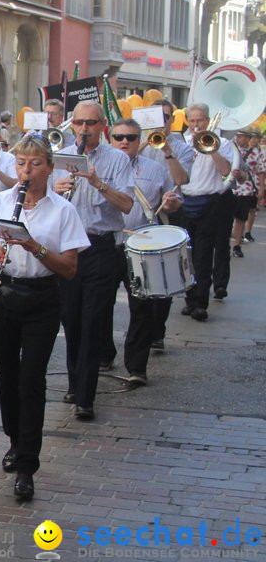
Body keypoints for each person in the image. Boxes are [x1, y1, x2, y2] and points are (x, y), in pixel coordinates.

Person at [0, 134, 88, 502]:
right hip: (4, 294)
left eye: (34, 165)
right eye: (20, 165)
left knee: (32, 379)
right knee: (6, 377)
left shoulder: (63, 210)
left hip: (43, 299)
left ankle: (28, 464)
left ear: (49, 167)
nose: (25, 172)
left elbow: (70, 269)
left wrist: (33, 245)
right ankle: (15, 440)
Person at [52, 101, 134, 420]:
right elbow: (39, 200)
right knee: (70, 320)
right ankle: (75, 383)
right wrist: (54, 190)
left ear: (103, 126)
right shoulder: (59, 156)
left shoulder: (117, 160)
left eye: (91, 123)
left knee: (91, 322)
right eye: (78, 122)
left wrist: (99, 183)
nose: (84, 129)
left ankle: (86, 397)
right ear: (72, 125)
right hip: (68, 248)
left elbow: (127, 205)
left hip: (100, 247)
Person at [108, 118, 181, 384]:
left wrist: (170, 203)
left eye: (130, 137)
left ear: (140, 141)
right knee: (100, 305)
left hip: (141, 243)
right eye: (118, 137)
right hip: (108, 242)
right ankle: (105, 354)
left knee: (141, 307)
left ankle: (136, 367)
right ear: (110, 139)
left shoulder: (155, 168)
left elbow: (173, 202)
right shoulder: (98, 168)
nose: (124, 142)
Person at [180, 103, 237, 320]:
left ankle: (200, 303)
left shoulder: (221, 143)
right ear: (187, 121)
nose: (196, 125)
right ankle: (189, 298)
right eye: (192, 121)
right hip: (186, 201)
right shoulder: (183, 143)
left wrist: (211, 149)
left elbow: (225, 172)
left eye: (200, 120)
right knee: (186, 255)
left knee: (203, 255)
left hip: (210, 202)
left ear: (208, 120)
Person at [136, 98, 192, 187]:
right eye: (156, 117)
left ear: (173, 119)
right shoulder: (136, 143)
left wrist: (167, 151)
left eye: (165, 117)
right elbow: (123, 162)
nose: (161, 121)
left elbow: (181, 180)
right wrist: (147, 141)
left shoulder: (184, 148)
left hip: (169, 198)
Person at [229, 129, 259, 259]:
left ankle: (236, 246)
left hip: (246, 188)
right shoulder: (229, 148)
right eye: (237, 136)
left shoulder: (257, 152)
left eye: (241, 137)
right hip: (229, 188)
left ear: (248, 138)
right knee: (228, 217)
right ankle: (225, 243)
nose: (238, 139)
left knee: (241, 218)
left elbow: (261, 171)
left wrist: (261, 189)